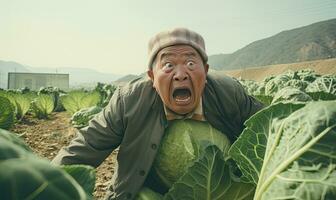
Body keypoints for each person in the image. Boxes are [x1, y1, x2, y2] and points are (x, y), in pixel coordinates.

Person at [52, 27, 264, 200]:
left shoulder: (228, 93)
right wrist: (44, 182)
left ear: (206, 71)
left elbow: (270, 130)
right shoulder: (130, 100)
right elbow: (88, 145)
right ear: (152, 76)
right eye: (168, 64)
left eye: (191, 63)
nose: (181, 74)